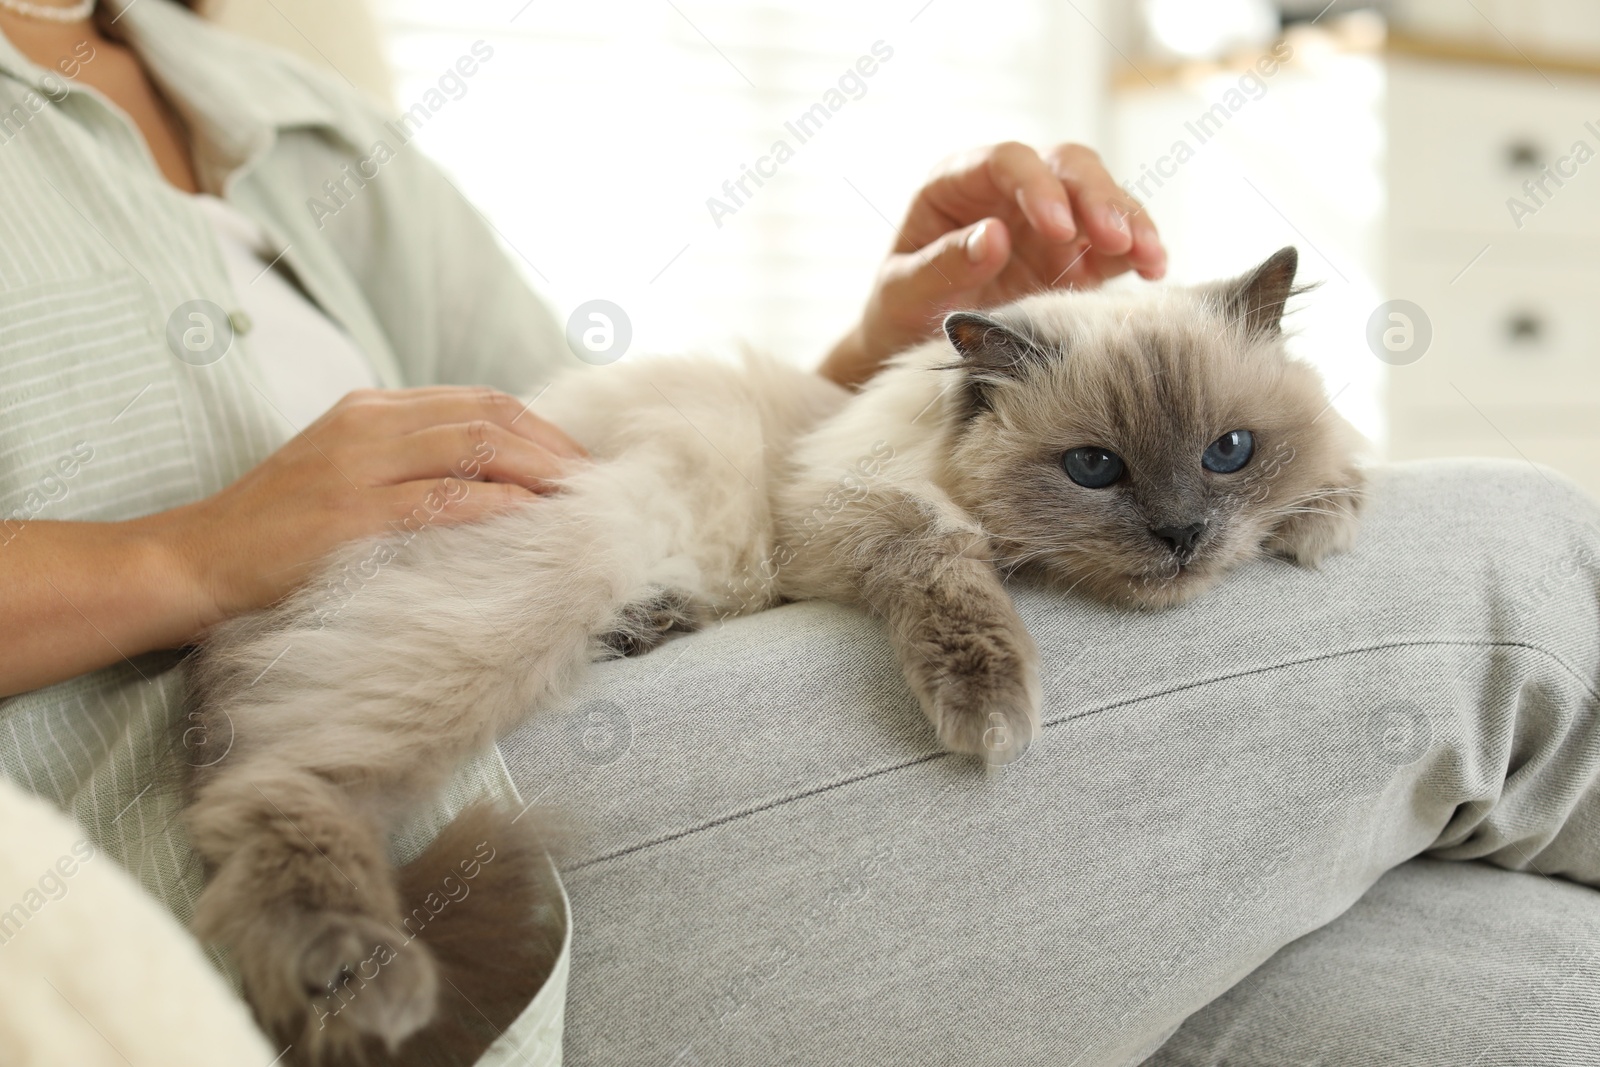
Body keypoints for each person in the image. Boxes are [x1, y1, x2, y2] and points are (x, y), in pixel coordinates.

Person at [0, 1, 1594, 1064]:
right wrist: (182, 560)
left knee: (1502, 993)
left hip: (641, 664)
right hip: (370, 802)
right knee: (1508, 580)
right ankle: (293, 838)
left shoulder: (288, 119)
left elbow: (580, 438)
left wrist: (890, 380)